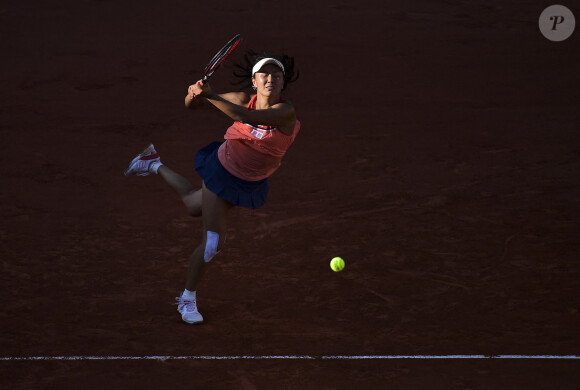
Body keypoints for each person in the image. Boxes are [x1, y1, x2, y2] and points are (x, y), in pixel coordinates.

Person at [124, 52, 300, 324]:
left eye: (276, 75)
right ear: (254, 81)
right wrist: (195, 94)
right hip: (223, 170)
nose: (270, 79)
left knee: (194, 204)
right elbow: (191, 106)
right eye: (264, 74)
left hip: (249, 181)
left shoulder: (284, 111)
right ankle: (187, 298)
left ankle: (152, 163)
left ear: (283, 83)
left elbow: (245, 117)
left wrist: (210, 96)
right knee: (213, 243)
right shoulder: (242, 98)